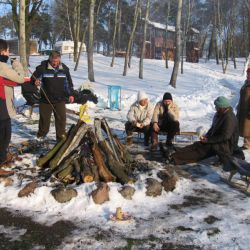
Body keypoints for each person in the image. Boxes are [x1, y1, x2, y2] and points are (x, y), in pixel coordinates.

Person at [170, 96, 240, 171]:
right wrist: (206, 137)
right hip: (217, 140)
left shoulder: (229, 118)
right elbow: (213, 128)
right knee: (198, 144)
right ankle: (177, 151)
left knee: (201, 150)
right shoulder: (219, 114)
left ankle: (176, 158)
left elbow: (225, 136)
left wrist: (208, 140)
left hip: (225, 145)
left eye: (217, 106)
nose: (215, 108)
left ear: (223, 107)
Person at [31, 51, 74, 141]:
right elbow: (33, 79)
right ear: (50, 59)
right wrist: (36, 82)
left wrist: (70, 94)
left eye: (57, 61)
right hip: (45, 100)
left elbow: (68, 83)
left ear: (59, 59)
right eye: (53, 61)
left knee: (61, 119)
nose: (55, 63)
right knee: (44, 121)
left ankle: (61, 138)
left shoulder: (64, 69)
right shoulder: (42, 68)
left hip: (60, 99)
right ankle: (40, 137)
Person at [0, 39, 25, 166]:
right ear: (3, 51)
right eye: (8, 50)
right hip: (2, 105)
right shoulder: (2, 66)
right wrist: (16, 64)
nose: (9, 53)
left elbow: (6, 81)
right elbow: (20, 78)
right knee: (4, 136)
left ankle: (3, 157)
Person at [236, 68, 250, 150]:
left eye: (249, 74)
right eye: (247, 74)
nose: (248, 75)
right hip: (243, 107)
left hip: (248, 109)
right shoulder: (246, 83)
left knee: (248, 127)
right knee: (242, 126)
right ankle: (246, 143)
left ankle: (247, 145)